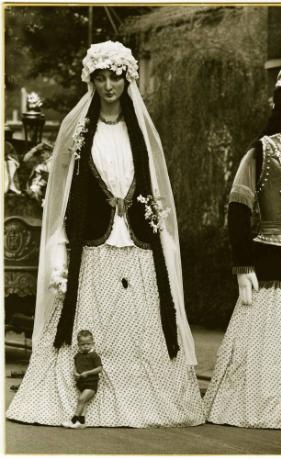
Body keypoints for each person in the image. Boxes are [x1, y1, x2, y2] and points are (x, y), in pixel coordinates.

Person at [7, 40, 204, 428]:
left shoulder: (140, 133)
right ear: (92, 82)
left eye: (115, 76)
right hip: (93, 244)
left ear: (126, 78)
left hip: (137, 243)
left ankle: (145, 398)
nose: (109, 85)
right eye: (100, 78)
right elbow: (66, 193)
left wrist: (156, 232)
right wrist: (62, 247)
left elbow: (153, 189)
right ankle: (81, 397)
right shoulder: (80, 131)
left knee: (139, 325)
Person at [204, 38, 281, 429]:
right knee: (274, 352)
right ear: (280, 97)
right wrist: (241, 264)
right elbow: (237, 209)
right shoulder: (262, 150)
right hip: (274, 264)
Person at [63, 330, 102, 429]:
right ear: (79, 345)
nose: (86, 346)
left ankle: (73, 420)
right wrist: (75, 373)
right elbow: (76, 366)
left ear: (93, 343)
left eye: (88, 344)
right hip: (81, 383)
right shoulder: (78, 355)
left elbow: (99, 368)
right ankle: (81, 422)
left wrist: (88, 373)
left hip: (91, 383)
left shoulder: (94, 355)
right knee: (83, 402)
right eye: (83, 344)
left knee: (81, 399)